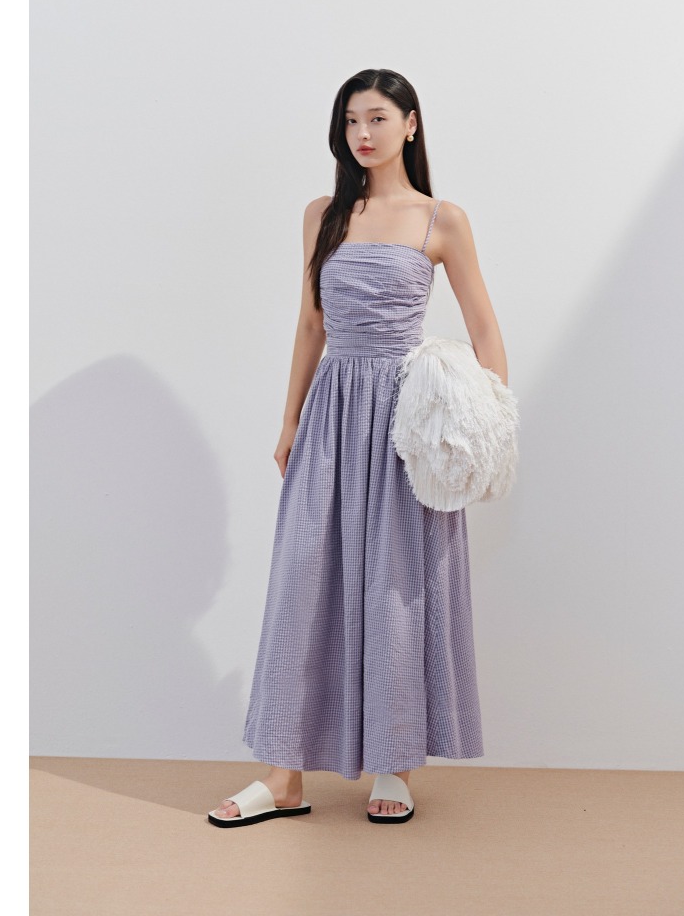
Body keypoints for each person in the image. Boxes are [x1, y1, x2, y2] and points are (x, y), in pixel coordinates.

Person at [209, 68, 509, 827]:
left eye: (377, 118)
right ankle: (283, 777)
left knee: (397, 589)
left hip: (408, 422)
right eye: (350, 121)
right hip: (333, 413)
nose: (362, 134)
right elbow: (311, 323)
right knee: (302, 586)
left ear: (411, 123)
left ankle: (394, 764)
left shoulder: (441, 219)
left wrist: (485, 426)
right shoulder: (323, 214)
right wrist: (289, 422)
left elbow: (484, 329)